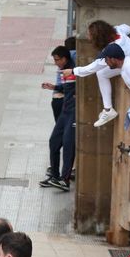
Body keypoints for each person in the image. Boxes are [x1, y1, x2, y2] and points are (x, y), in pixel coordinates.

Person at [62, 20, 130, 128]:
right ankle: (108, 109)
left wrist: (73, 71)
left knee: (100, 71)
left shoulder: (114, 48)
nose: (88, 37)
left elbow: (92, 67)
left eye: (90, 35)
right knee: (102, 73)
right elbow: (127, 27)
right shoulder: (118, 31)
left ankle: (108, 109)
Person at [40, 46, 76, 191]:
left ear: (64, 58)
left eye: (57, 60)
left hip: (74, 112)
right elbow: (67, 88)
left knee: (68, 144)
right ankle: (54, 176)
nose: (55, 63)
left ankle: (65, 180)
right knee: (53, 141)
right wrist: (54, 87)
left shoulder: (74, 70)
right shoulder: (63, 71)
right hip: (65, 111)